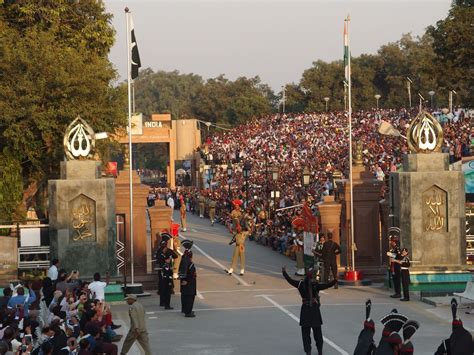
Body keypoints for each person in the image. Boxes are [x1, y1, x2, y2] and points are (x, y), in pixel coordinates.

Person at [282, 265, 336, 355]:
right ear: (313, 276)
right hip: (314, 310)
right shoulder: (315, 285)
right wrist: (334, 281)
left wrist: (284, 272)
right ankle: (320, 350)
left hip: (305, 310)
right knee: (317, 332)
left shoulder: (300, 284)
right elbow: (327, 285)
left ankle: (308, 351)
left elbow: (290, 280)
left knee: (305, 333)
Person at [227, 202, 250, 276]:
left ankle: (242, 269)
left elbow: (249, 230)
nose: (236, 207)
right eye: (235, 206)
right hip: (237, 242)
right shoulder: (233, 212)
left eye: (237, 206)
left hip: (241, 245)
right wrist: (230, 224)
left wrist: (247, 226)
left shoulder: (244, 232)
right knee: (234, 257)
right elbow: (231, 228)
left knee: (242, 257)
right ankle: (231, 269)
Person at [180, 251, 197, 318]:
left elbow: (181, 272)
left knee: (184, 296)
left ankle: (184, 309)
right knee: (190, 297)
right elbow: (192, 274)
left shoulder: (183, 261)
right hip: (190, 283)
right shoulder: (190, 264)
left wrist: (183, 280)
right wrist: (187, 280)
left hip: (183, 282)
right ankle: (188, 312)